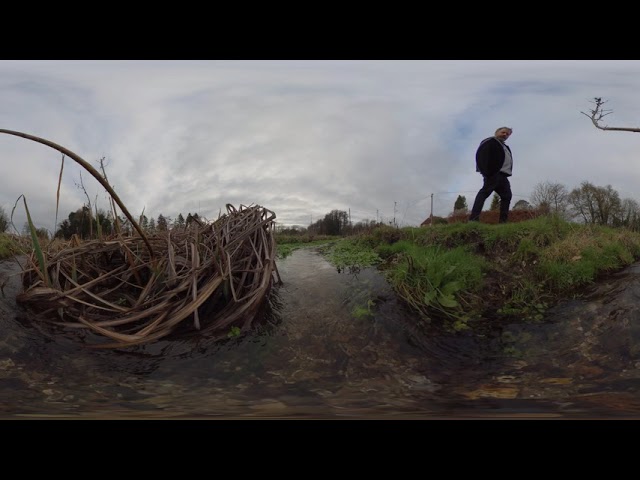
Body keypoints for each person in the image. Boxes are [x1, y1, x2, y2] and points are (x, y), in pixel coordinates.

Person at [468, 126, 513, 223]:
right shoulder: (490, 142)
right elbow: (481, 156)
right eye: (503, 132)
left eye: (507, 134)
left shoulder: (506, 147)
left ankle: (503, 222)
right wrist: (486, 172)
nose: (505, 135)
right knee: (484, 192)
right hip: (493, 173)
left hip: (503, 176)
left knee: (507, 196)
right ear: (497, 132)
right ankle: (473, 219)